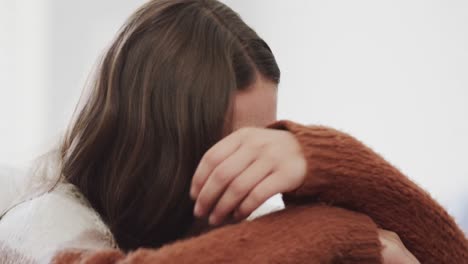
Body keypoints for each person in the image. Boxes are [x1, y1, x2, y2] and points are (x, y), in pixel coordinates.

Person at [0, 0, 466, 263]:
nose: (251, 187)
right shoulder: (38, 224)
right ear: (156, 152)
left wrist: (325, 159)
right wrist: (350, 235)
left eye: (265, 148)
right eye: (230, 152)